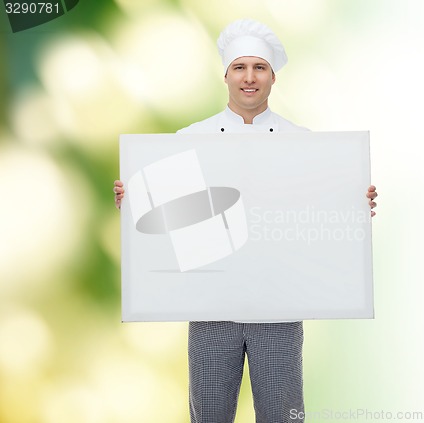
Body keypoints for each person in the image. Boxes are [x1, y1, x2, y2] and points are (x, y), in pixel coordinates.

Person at [114, 19, 378, 423]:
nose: (249, 78)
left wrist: (354, 204)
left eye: (259, 68)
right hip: (210, 305)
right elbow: (164, 216)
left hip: (280, 306)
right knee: (210, 415)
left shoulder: (302, 143)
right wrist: (131, 197)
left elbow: (319, 214)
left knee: (282, 414)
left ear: (273, 76)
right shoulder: (190, 140)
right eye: (240, 67)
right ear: (225, 75)